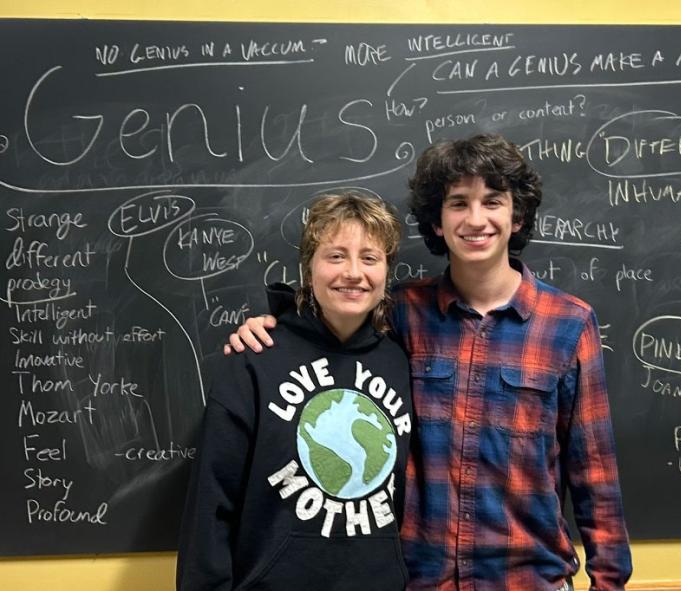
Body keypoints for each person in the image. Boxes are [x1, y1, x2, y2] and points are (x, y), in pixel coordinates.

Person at [226, 134, 632, 591]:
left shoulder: (569, 324)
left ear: (516, 215)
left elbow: (594, 474)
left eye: (492, 201)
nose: (476, 220)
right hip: (421, 579)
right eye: (458, 203)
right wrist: (274, 327)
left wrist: (609, 583)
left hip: (528, 579)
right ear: (437, 222)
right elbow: (332, 334)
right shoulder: (402, 313)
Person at [177, 192, 412, 591]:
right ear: (309, 267)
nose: (353, 272)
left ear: (386, 271)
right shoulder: (254, 357)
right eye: (335, 256)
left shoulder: (399, 363)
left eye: (369, 258)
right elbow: (210, 506)